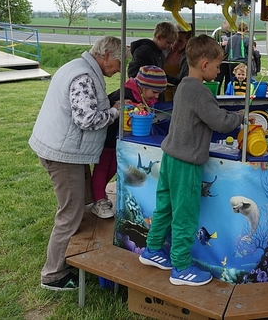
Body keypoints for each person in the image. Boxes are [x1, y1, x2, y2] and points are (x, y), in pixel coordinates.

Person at [139, 35, 245, 286]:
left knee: (165, 208)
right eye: (218, 66)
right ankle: (181, 267)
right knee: (185, 215)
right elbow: (220, 121)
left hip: (170, 158)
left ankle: (152, 249)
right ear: (205, 64)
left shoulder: (184, 86)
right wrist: (241, 116)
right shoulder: (199, 91)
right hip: (186, 164)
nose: (219, 71)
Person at [29, 36, 123, 291]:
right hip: (63, 154)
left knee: (82, 204)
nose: (119, 69)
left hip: (65, 149)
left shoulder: (78, 67)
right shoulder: (83, 76)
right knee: (70, 213)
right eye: (119, 62)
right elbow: (87, 119)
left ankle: (74, 257)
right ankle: (53, 274)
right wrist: (115, 112)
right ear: (106, 55)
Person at [92, 66, 167, 219]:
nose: (157, 96)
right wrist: (128, 108)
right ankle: (98, 200)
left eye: (159, 93)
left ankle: (99, 194)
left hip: (123, 141)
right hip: (108, 137)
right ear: (142, 87)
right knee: (103, 167)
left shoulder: (149, 96)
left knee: (114, 167)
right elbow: (107, 113)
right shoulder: (124, 93)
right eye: (154, 92)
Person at [163, 28, 191, 101]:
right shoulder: (163, 51)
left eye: (180, 41)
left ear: (187, 42)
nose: (175, 43)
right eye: (174, 39)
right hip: (157, 96)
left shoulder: (188, 59)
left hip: (176, 97)